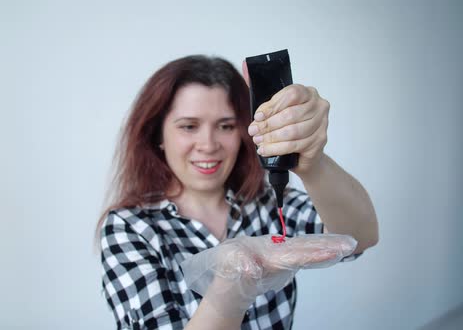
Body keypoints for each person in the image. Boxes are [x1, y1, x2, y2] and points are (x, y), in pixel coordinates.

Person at [97, 55, 378, 329]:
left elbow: (361, 237)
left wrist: (312, 162)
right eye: (189, 126)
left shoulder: (267, 203)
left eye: (226, 126)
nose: (208, 144)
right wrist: (235, 280)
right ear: (158, 135)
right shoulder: (129, 228)